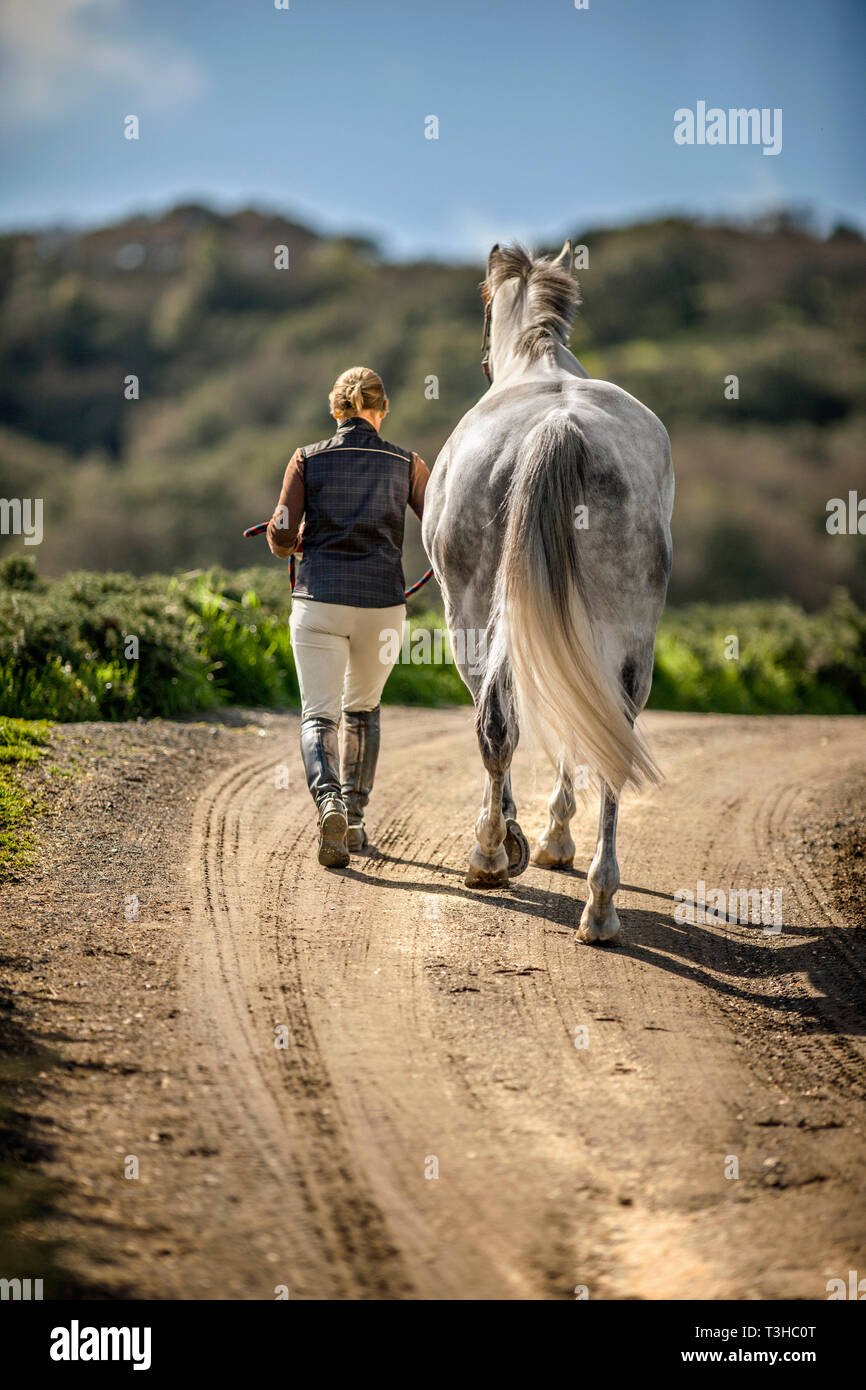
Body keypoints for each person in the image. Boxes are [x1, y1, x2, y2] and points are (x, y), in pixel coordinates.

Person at [267, 366, 430, 868]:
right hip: (382, 606)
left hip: (319, 600)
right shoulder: (408, 464)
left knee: (319, 715)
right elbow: (439, 529)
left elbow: (280, 531)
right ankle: (355, 819)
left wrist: (288, 542)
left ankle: (330, 804)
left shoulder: (306, 459)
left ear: (336, 410)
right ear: (382, 411)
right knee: (363, 709)